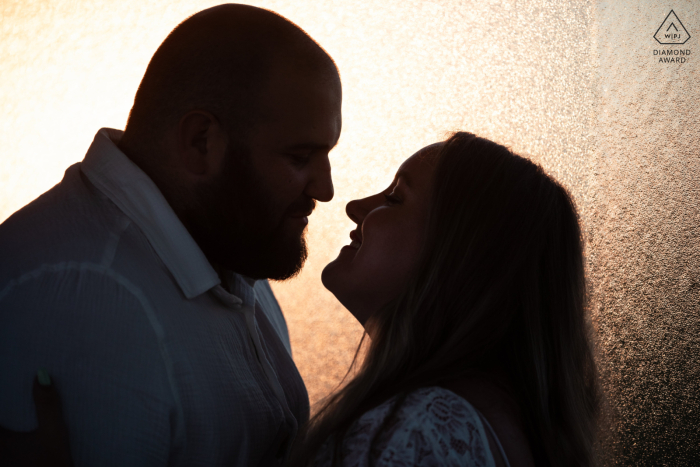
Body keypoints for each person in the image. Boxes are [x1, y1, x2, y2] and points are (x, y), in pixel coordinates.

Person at [0, 4, 341, 466]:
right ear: (202, 140)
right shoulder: (82, 299)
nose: (326, 189)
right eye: (300, 157)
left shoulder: (231, 247)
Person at [290, 132, 600, 466]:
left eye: (395, 197)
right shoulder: (499, 426)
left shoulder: (412, 432)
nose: (355, 207)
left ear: (459, 258)